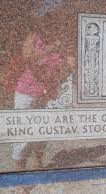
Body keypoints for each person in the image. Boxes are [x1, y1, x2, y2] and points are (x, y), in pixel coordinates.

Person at [3, 32, 64, 170]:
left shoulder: (60, 38)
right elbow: (28, 56)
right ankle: (20, 169)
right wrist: (53, 47)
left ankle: (38, 161)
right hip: (27, 93)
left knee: (45, 130)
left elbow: (64, 65)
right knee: (23, 132)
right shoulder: (33, 37)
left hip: (48, 93)